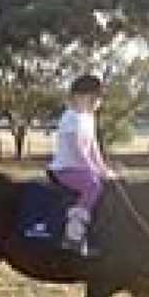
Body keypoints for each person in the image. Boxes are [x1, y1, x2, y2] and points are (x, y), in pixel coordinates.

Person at [48, 74, 115, 257]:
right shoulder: (71, 117)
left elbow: (93, 148)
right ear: (79, 96)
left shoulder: (89, 118)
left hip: (81, 168)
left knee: (106, 184)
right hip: (65, 168)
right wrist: (93, 169)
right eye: (93, 97)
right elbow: (77, 149)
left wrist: (104, 169)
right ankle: (73, 235)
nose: (97, 102)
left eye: (98, 98)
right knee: (93, 185)